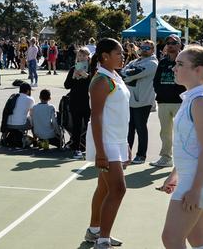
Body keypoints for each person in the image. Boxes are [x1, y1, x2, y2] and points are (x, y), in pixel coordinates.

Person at [160, 45, 203, 249]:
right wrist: (175, 174)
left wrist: (195, 189)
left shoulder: (200, 101)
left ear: (199, 70)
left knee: (171, 238)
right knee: (197, 240)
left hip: (197, 181)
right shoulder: (192, 99)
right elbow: (189, 145)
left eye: (180, 64)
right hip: (191, 178)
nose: (174, 68)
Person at [84, 38, 129, 249]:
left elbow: (120, 114)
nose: (123, 56)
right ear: (105, 56)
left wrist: (126, 143)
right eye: (119, 53)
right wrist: (101, 151)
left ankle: (94, 231)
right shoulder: (101, 81)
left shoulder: (115, 77)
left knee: (104, 187)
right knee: (118, 189)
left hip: (118, 140)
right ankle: (103, 240)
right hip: (106, 141)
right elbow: (96, 117)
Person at [151, 34, 186, 168]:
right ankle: (166, 158)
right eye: (168, 43)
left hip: (180, 102)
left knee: (182, 132)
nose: (170, 45)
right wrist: (160, 92)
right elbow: (156, 81)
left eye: (173, 42)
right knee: (165, 133)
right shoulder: (163, 62)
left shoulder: (184, 62)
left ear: (179, 45)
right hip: (163, 102)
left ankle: (182, 160)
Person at [121, 40, 158, 165]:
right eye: (142, 47)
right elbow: (122, 73)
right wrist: (127, 74)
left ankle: (141, 155)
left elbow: (132, 74)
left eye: (148, 47)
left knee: (141, 128)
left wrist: (127, 74)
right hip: (130, 101)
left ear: (153, 50)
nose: (144, 49)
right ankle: (127, 153)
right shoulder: (134, 61)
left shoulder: (153, 63)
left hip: (143, 101)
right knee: (129, 129)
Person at [65, 47, 92, 160]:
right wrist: (73, 77)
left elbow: (95, 84)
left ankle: (90, 148)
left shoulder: (92, 69)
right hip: (75, 101)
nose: (81, 58)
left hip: (88, 101)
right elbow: (67, 85)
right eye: (79, 56)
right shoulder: (73, 69)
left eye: (83, 56)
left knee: (89, 125)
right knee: (76, 126)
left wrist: (87, 76)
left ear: (88, 57)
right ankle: (77, 149)